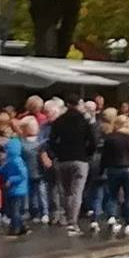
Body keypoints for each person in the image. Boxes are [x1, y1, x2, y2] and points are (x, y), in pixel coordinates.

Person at [48, 97, 98, 235]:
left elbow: (51, 141)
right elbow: (93, 140)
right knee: (76, 192)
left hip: (63, 159)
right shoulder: (84, 121)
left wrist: (57, 153)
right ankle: (72, 222)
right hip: (80, 159)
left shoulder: (59, 121)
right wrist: (88, 154)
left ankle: (65, 216)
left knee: (65, 191)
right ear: (78, 104)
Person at [95, 111, 129, 237]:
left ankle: (112, 217)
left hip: (114, 168)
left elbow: (105, 157)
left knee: (113, 195)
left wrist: (101, 170)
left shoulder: (110, 138)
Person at [0, 118, 35, 238]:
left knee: (14, 208)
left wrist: (11, 179)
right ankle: (22, 226)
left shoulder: (16, 156)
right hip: (17, 185)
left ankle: (16, 228)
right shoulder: (16, 151)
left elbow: (21, 173)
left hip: (16, 186)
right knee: (16, 208)